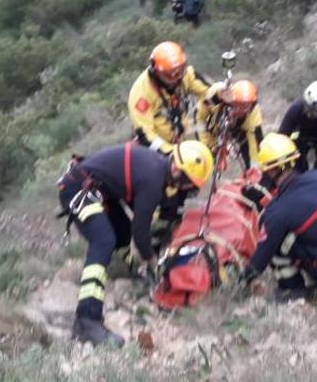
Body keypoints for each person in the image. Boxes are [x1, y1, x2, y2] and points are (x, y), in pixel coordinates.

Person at [57, 140, 214, 346]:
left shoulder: (156, 168)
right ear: (177, 171)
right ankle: (87, 319)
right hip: (77, 188)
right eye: (189, 184)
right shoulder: (153, 180)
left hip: (97, 190)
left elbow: (139, 218)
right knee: (103, 240)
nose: (187, 190)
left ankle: (129, 270)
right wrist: (152, 260)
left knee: (121, 232)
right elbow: (140, 233)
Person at [239, 133, 317, 301]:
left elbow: (259, 262)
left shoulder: (277, 212)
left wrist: (242, 280)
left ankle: (293, 291)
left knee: (278, 242)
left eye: (265, 171)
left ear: (272, 170)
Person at [128, 41, 216, 156]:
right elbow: (145, 134)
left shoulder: (185, 76)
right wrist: (171, 152)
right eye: (170, 75)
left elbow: (211, 92)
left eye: (181, 70)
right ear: (157, 73)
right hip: (151, 151)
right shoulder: (142, 94)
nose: (177, 78)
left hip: (177, 141)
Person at [195, 79, 264, 170]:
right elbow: (200, 117)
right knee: (204, 156)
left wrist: (256, 169)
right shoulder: (214, 97)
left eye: (245, 107)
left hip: (239, 129)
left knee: (250, 154)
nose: (240, 110)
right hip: (212, 125)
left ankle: (250, 176)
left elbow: (255, 145)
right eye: (237, 105)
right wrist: (207, 144)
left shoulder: (253, 114)